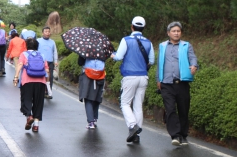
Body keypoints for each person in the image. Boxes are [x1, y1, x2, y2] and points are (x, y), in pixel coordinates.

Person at [112, 16, 155, 145]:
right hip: (143, 77)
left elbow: (118, 57)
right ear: (143, 28)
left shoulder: (126, 40)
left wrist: (112, 55)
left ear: (132, 26)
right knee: (138, 105)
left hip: (130, 76)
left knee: (125, 103)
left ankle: (132, 126)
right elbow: (151, 61)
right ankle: (136, 135)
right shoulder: (148, 42)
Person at [158, 21, 198, 146]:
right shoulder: (162, 46)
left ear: (181, 33)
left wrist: (194, 65)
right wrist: (158, 79)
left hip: (181, 83)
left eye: (178, 31)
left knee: (183, 109)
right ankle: (175, 135)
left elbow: (193, 57)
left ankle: (183, 135)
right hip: (166, 83)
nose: (176, 33)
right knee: (170, 109)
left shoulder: (186, 45)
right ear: (168, 33)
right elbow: (160, 63)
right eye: (174, 31)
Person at [15, 37, 49, 132]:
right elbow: (46, 70)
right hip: (40, 82)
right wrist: (46, 83)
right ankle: (36, 125)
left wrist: (16, 77)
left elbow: (20, 65)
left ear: (27, 46)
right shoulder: (42, 55)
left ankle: (29, 116)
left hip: (27, 81)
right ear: (37, 46)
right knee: (38, 103)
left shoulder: (24, 54)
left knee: (26, 99)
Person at [77, 52, 106, 129]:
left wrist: (81, 55)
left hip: (88, 75)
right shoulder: (102, 50)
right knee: (97, 98)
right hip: (100, 75)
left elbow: (80, 62)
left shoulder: (86, 49)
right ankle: (95, 119)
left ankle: (91, 122)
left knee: (88, 98)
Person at [37, 27, 58, 99]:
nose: (47, 33)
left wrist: (56, 61)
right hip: (40, 62)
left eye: (48, 31)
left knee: (50, 77)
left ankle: (48, 92)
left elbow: (55, 52)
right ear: (42, 33)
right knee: (40, 77)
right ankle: (41, 91)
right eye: (46, 31)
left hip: (50, 62)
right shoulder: (38, 41)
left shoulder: (52, 42)